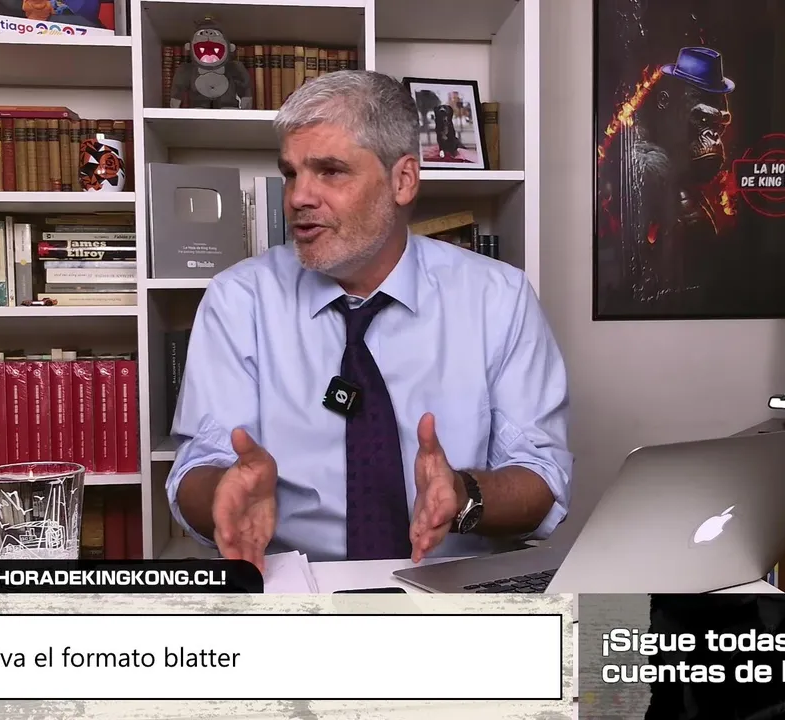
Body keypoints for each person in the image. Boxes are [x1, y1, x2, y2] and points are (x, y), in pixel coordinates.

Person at [165, 70, 572, 571]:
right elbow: (197, 468)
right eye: (291, 173)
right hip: (296, 581)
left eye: (330, 171)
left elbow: (542, 476)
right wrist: (221, 494)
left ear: (403, 181)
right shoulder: (239, 300)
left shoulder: (499, 297)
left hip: (451, 581)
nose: (298, 197)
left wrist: (464, 494)